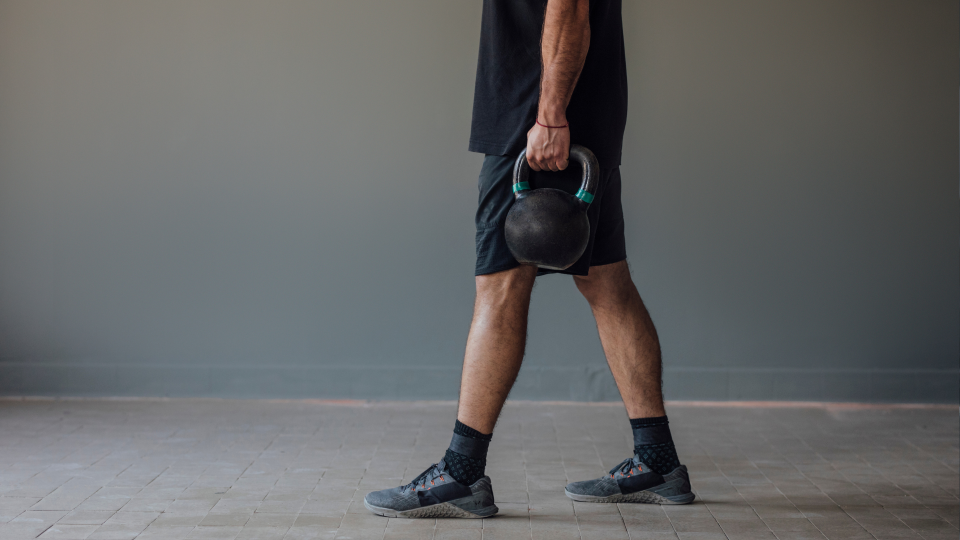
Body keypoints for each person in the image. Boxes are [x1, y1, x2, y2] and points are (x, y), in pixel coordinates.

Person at [364, 0, 694, 518]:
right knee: (608, 285)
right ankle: (659, 461)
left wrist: (550, 114)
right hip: (576, 118)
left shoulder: (545, 121)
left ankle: (462, 471)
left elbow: (569, 6)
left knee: (499, 288)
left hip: (539, 124)